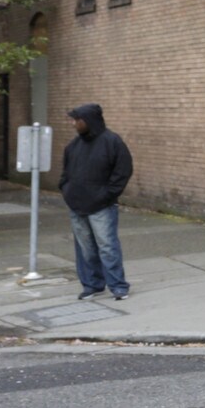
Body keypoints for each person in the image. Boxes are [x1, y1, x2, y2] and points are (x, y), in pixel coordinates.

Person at [59, 103, 133, 302]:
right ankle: (92, 285)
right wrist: (67, 191)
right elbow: (66, 173)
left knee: (107, 246)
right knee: (85, 248)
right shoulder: (73, 146)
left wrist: (106, 195)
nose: (74, 124)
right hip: (77, 205)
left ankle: (118, 286)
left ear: (88, 120)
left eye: (77, 120)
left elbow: (123, 171)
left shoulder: (112, 142)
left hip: (102, 206)